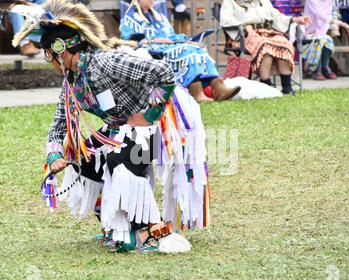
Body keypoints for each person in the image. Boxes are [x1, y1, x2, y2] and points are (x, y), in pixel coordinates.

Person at [12, 0, 210, 253]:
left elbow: (163, 71)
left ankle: (153, 233)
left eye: (48, 56)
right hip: (123, 127)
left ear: (60, 51)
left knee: (120, 159)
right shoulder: (71, 83)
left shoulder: (104, 62)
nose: (49, 62)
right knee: (84, 162)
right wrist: (54, 155)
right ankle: (117, 227)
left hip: (161, 121)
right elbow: (58, 126)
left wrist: (150, 115)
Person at [120, 0, 241, 103]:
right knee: (187, 49)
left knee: (198, 47)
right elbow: (130, 40)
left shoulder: (159, 17)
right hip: (153, 50)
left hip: (169, 46)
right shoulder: (130, 19)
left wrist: (184, 40)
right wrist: (155, 40)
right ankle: (196, 91)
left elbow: (171, 36)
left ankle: (218, 87)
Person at [220, 0, 311, 95]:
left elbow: (277, 17)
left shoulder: (264, 1)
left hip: (268, 33)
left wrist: (296, 20)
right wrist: (243, 28)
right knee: (265, 47)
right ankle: (266, 86)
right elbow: (226, 20)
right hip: (246, 36)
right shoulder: (229, 2)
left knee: (284, 44)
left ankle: (287, 88)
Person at [303, 0, 349, 80]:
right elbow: (321, 16)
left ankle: (325, 67)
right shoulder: (311, 1)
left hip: (321, 35)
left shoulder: (330, 1)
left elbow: (331, 16)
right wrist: (344, 25)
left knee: (327, 40)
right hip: (307, 34)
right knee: (321, 40)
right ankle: (316, 69)